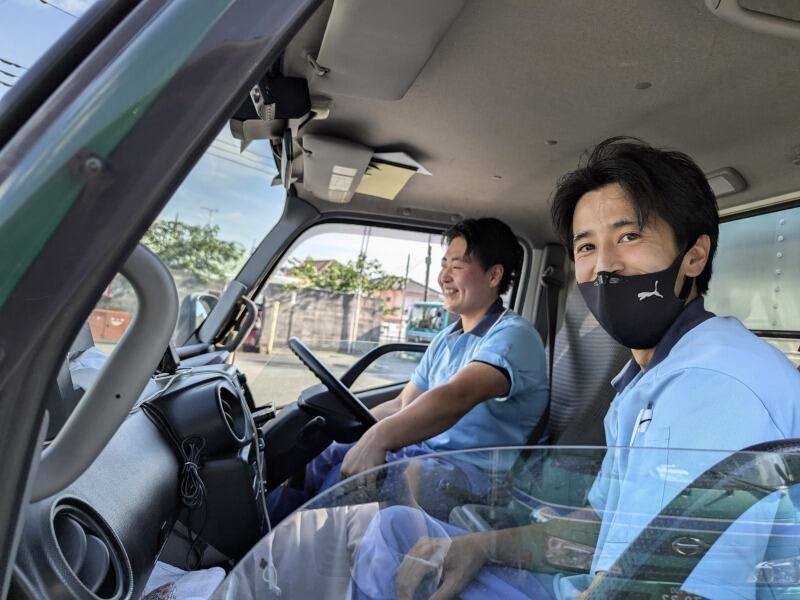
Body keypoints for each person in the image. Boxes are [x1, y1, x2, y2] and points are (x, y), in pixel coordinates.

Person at [345, 137, 800, 599]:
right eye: (586, 247)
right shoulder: (648, 379)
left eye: (629, 237)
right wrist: (484, 546)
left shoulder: (710, 385)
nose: (604, 267)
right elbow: (602, 525)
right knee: (396, 533)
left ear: (694, 256)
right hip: (592, 583)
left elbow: (675, 592)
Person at [269, 218, 550, 520]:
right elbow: (403, 403)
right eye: (444, 265)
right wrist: (350, 430)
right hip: (428, 457)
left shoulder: (514, 336)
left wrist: (379, 438)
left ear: (493, 275)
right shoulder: (447, 337)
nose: (443, 277)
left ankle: (300, 540)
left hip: (481, 478)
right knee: (324, 454)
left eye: (456, 266)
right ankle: (271, 533)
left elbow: (459, 395)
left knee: (351, 485)